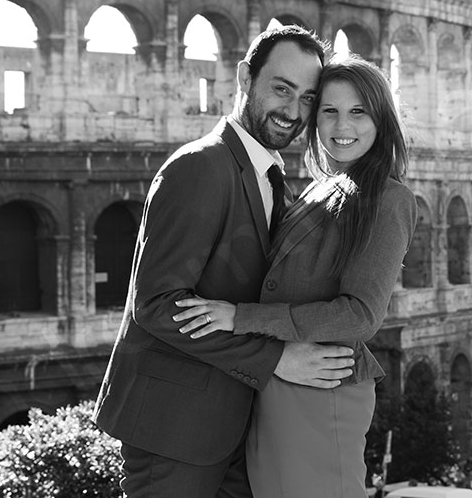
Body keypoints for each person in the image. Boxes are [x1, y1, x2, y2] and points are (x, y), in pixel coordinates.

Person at [92, 25, 357, 498]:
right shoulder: (200, 166)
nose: (292, 112)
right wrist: (277, 359)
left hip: (234, 425)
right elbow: (157, 304)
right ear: (244, 78)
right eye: (281, 89)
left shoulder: (272, 177)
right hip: (174, 429)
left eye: (307, 98)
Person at [174, 55, 417, 497]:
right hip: (281, 382)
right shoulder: (320, 185)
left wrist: (239, 317)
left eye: (358, 111)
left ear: (381, 119)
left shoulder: (388, 197)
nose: (343, 124)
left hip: (323, 391)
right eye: (329, 110)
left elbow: (360, 316)